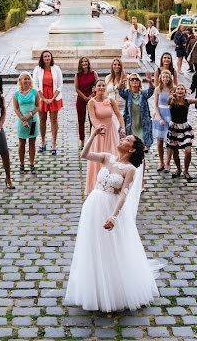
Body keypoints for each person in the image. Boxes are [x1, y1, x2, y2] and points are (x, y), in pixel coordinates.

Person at [63, 128, 158, 312]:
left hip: (109, 207)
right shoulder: (107, 157)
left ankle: (113, 288)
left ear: (131, 149)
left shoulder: (130, 169)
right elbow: (84, 154)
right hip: (93, 205)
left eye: (127, 140)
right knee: (92, 244)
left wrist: (114, 215)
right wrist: (92, 135)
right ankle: (95, 287)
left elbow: (124, 194)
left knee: (111, 247)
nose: (123, 139)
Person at [86, 80, 124, 193]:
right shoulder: (91, 102)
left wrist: (122, 127)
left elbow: (118, 115)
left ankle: (113, 184)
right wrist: (99, 128)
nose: (101, 87)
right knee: (98, 158)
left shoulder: (110, 100)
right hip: (99, 133)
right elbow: (92, 118)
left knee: (113, 156)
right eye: (99, 86)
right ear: (95, 88)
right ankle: (97, 184)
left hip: (111, 132)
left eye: (103, 85)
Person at [166, 84, 197, 181]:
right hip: (174, 128)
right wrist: (172, 96)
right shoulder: (172, 101)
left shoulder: (187, 101)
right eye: (178, 89)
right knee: (175, 151)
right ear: (175, 92)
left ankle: (186, 171)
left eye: (182, 89)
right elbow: (168, 102)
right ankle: (179, 169)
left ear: (185, 92)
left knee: (188, 150)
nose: (180, 90)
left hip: (185, 128)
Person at [32, 50, 63, 155]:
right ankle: (43, 141)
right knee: (42, 120)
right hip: (41, 97)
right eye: (45, 56)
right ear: (42, 58)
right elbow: (35, 85)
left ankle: (54, 143)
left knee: (54, 120)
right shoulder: (37, 69)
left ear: (51, 57)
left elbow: (60, 84)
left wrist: (53, 98)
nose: (47, 58)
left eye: (48, 56)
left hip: (54, 97)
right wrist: (43, 98)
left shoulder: (56, 68)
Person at [119, 72, 155, 156]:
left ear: (139, 82)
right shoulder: (128, 94)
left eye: (137, 79)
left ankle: (141, 167)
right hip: (131, 126)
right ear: (129, 82)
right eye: (132, 79)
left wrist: (150, 81)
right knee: (131, 151)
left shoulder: (143, 94)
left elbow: (151, 91)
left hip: (142, 126)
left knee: (141, 152)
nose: (134, 81)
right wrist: (122, 81)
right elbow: (120, 91)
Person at [13, 73, 40, 174]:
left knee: (32, 142)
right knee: (22, 143)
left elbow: (38, 106)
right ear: (20, 80)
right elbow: (15, 108)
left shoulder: (34, 92)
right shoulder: (16, 94)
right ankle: (21, 164)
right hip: (21, 122)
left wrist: (29, 114)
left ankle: (32, 164)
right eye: (25, 79)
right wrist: (22, 119)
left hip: (33, 121)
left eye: (28, 79)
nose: (27, 81)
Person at [150, 71, 174, 172]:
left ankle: (168, 162)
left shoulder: (173, 89)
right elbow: (155, 105)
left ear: (169, 78)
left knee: (169, 141)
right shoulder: (157, 89)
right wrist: (159, 118)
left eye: (167, 77)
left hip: (170, 115)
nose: (165, 79)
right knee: (159, 142)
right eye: (163, 77)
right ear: (160, 78)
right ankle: (161, 162)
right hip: (160, 114)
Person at [74, 57, 98, 148]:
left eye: (86, 61)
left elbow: (97, 85)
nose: (84, 63)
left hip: (92, 98)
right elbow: (76, 88)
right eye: (82, 62)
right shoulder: (77, 75)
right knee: (81, 120)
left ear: (88, 63)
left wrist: (91, 96)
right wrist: (84, 97)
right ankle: (82, 141)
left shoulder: (93, 73)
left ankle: (92, 140)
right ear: (80, 64)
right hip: (81, 99)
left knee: (93, 119)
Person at [104, 59, 128, 135]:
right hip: (110, 107)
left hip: (121, 107)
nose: (117, 66)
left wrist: (122, 82)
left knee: (119, 129)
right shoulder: (108, 78)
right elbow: (106, 93)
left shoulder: (126, 77)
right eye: (115, 64)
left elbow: (126, 91)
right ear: (112, 66)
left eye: (118, 64)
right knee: (111, 130)